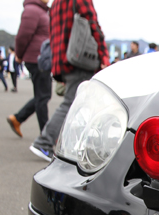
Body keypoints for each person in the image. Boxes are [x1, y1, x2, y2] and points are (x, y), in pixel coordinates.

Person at [29, 0, 109, 161]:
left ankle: (72, 146)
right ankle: (44, 142)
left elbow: (53, 34)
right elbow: (93, 25)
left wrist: (57, 69)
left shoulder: (55, 3)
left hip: (64, 59)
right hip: (80, 60)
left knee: (82, 105)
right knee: (73, 104)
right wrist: (103, 55)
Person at [6, 0, 52, 139]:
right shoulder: (33, 10)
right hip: (36, 59)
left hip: (40, 59)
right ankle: (45, 137)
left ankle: (18, 118)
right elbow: (22, 36)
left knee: (41, 95)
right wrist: (19, 55)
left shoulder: (41, 10)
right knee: (43, 97)